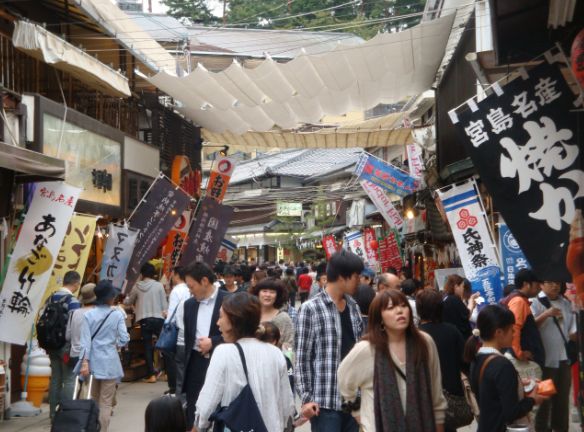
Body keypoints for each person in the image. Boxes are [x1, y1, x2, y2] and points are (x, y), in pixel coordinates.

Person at [338, 289, 446, 432]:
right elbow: (343, 380)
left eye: (403, 305)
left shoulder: (424, 342)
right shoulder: (367, 349)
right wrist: (358, 413)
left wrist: (439, 424)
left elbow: (435, 391)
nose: (399, 311)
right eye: (390, 308)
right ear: (380, 318)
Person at [193, 293, 295, 431]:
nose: (218, 323)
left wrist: (199, 426)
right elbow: (287, 404)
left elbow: (207, 403)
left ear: (233, 321)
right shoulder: (276, 353)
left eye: (221, 317)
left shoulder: (224, 352)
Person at [296, 250, 364, 432]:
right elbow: (302, 357)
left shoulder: (353, 307)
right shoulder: (310, 308)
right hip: (325, 402)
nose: (359, 281)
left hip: (353, 401)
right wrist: (306, 398)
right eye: (356, 276)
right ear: (342, 277)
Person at [464, 304, 547, 432]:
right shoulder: (502, 365)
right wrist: (533, 399)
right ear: (499, 333)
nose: (514, 334)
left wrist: (519, 385)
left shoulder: (477, 358)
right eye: (511, 330)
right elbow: (511, 413)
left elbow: (491, 393)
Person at [78, 280, 130, 432]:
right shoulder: (117, 315)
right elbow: (124, 338)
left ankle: (93, 429)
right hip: (110, 361)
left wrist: (85, 362)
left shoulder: (88, 315)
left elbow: (85, 342)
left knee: (94, 399)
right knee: (106, 403)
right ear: (110, 298)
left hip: (93, 362)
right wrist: (115, 344)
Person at [182, 262, 228, 428]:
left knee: (220, 408)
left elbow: (239, 334)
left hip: (222, 363)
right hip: (196, 363)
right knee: (194, 409)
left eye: (191, 286)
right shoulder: (189, 305)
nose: (190, 291)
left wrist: (213, 342)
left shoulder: (229, 300)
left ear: (204, 281)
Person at [416, 289, 466, 432]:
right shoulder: (452, 331)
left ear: (419, 310)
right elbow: (465, 361)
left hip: (425, 398)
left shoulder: (416, 335)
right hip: (452, 396)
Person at [531, 281, 576, 432]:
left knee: (562, 400)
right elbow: (530, 327)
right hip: (545, 361)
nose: (555, 286)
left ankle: (561, 428)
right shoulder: (535, 303)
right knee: (543, 400)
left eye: (557, 283)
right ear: (541, 285)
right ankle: (542, 429)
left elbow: (572, 330)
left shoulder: (566, 303)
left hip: (564, 359)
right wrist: (546, 314)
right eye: (550, 283)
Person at [124, 262, 168, 383]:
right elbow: (165, 305)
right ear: (153, 274)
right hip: (159, 319)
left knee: (147, 347)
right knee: (164, 345)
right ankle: (167, 373)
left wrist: (126, 298)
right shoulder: (159, 285)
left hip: (145, 320)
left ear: (142, 274)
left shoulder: (137, 286)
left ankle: (151, 375)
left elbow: (128, 302)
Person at [47, 270, 81, 418]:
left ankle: (53, 414)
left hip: (51, 344)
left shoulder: (50, 298)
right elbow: (75, 324)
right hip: (66, 346)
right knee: (69, 379)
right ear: (76, 283)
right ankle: (66, 415)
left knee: (55, 379)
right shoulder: (72, 301)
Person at [501, 269, 545, 366]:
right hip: (523, 361)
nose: (540, 288)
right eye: (537, 285)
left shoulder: (519, 299)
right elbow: (514, 328)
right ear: (526, 284)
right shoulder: (519, 301)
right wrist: (519, 353)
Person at [163, 266, 191, 396]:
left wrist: (166, 322)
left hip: (178, 332)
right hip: (189, 332)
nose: (171, 277)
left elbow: (172, 315)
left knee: (176, 362)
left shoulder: (176, 291)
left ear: (177, 275)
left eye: (172, 274)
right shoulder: (189, 289)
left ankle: (176, 390)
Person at [249, 278, 295, 350]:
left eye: (272, 292)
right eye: (264, 291)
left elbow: (289, 347)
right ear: (258, 293)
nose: (268, 295)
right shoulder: (249, 314)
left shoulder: (283, 318)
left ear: (278, 296)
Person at [66, 283, 96, 384]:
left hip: (75, 354)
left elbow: (68, 336)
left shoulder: (75, 313)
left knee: (78, 386)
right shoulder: (97, 313)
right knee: (92, 387)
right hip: (91, 356)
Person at [442, 274, 473, 341]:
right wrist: (471, 302)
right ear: (456, 287)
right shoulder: (454, 299)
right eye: (462, 286)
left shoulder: (446, 298)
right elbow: (467, 314)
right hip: (460, 337)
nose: (463, 289)